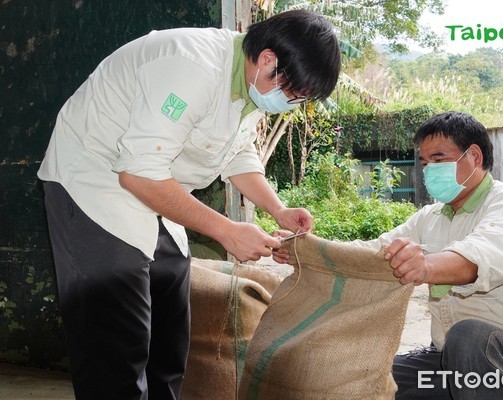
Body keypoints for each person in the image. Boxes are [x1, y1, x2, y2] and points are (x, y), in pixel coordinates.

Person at [38, 9, 340, 400]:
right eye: (291, 94)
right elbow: (138, 174)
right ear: (268, 59)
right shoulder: (192, 67)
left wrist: (277, 209)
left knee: (169, 335)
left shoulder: (249, 87)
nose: (289, 103)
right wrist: (227, 231)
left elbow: (237, 154)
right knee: (115, 346)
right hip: (94, 184)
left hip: (153, 187)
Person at [275, 111, 503, 399]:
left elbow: (483, 254)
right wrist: (306, 249)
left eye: (439, 159)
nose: (430, 169)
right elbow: (373, 251)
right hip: (449, 363)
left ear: (475, 157)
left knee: (468, 338)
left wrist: (426, 266)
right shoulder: (430, 217)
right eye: (425, 161)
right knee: (369, 380)